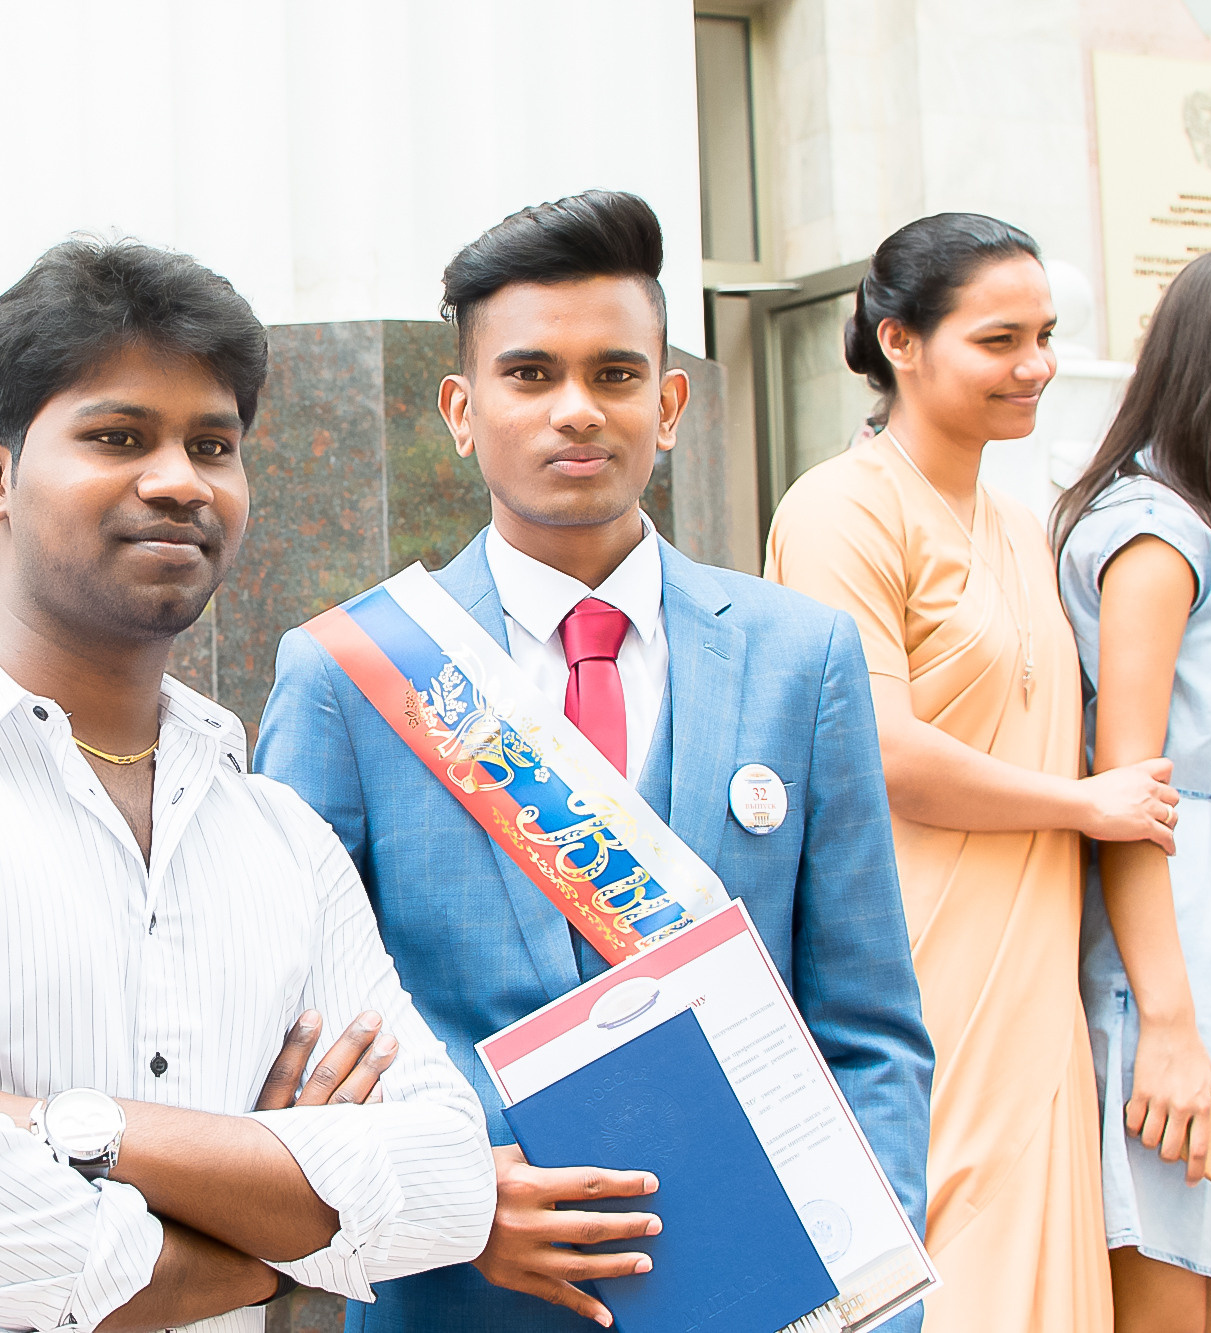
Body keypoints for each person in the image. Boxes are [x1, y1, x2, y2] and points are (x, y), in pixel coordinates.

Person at [0, 237, 495, 1333]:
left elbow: (447, 1184)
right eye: (117, 436)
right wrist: (289, 1238)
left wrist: (59, 1126)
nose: (178, 480)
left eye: (211, 444)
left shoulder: (277, 835)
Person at [257, 190, 933, 1332]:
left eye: (614, 375)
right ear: (460, 412)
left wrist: (860, 1266)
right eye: (528, 376)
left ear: (667, 406)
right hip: (462, 1293)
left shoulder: (797, 658)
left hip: (764, 1289)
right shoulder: (346, 675)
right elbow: (292, 1032)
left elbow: (867, 1027)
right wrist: (456, 1200)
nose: (576, 410)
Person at [767, 213, 1182, 1333]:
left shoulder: (1023, 521)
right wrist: (1082, 803)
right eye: (999, 339)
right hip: (906, 967)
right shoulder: (838, 509)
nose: (1036, 365)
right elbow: (877, 745)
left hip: (1034, 974)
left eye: (1043, 334)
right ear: (898, 341)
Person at [1052, 247, 1211, 1333]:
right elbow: (1128, 782)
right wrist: (1165, 1021)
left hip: (1199, 938)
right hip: (1174, 952)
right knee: (1173, 1276)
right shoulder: (1157, 533)